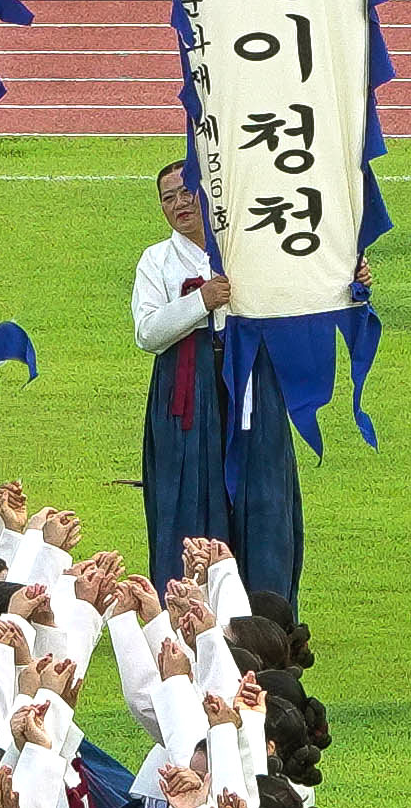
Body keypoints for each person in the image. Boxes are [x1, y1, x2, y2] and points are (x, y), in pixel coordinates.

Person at [132, 165, 309, 612]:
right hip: (186, 391)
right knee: (188, 495)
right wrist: (200, 301)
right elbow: (148, 333)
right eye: (168, 198)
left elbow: (302, 295)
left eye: (187, 192)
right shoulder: (156, 261)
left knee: (263, 492)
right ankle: (188, 610)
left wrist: (354, 283)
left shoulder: (248, 248)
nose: (180, 204)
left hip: (251, 379)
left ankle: (267, 614)